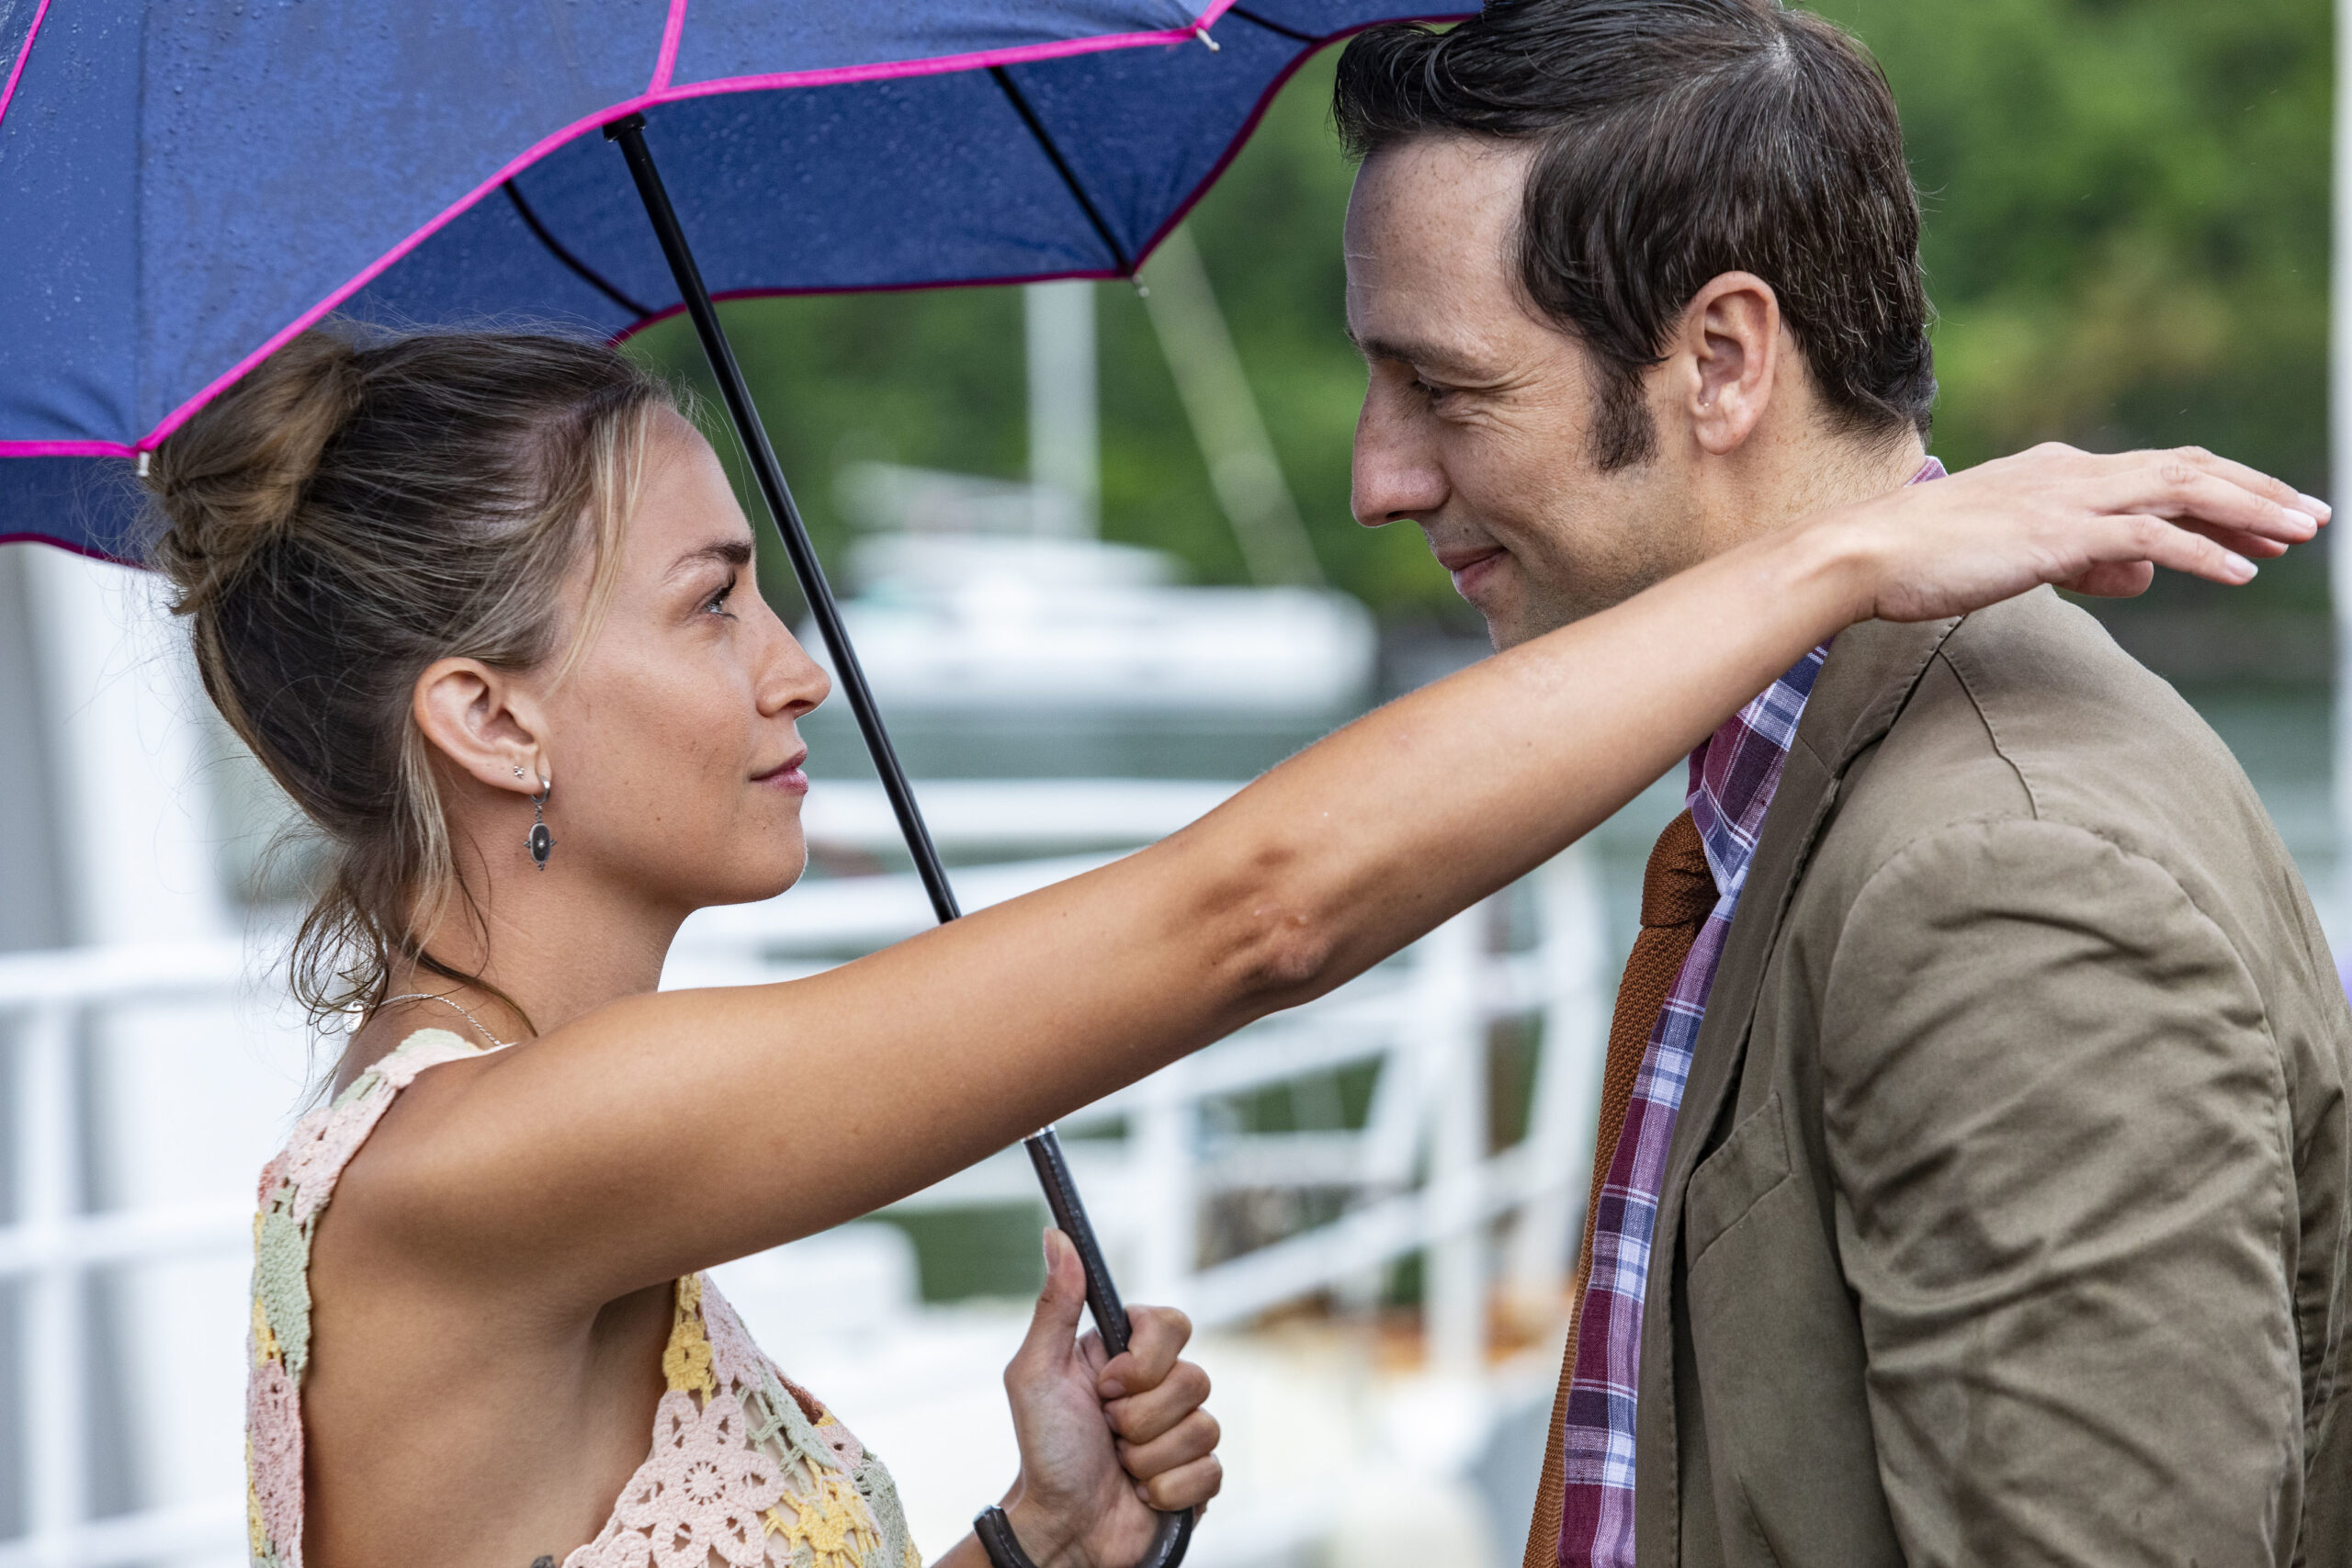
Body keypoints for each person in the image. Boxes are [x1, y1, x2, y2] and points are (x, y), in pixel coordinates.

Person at [147, 324, 2308, 1568]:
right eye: (711, 604)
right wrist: (1841, 551)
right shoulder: (481, 1167)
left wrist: (1028, 1545)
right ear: (487, 710)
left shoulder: (533, 1157)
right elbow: (1254, 913)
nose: (796, 669)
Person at [1329, 4, 2351, 1566]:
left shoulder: (2002, 888)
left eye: (1449, 394)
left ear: (1724, 361)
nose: (1377, 478)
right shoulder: (1836, 782)